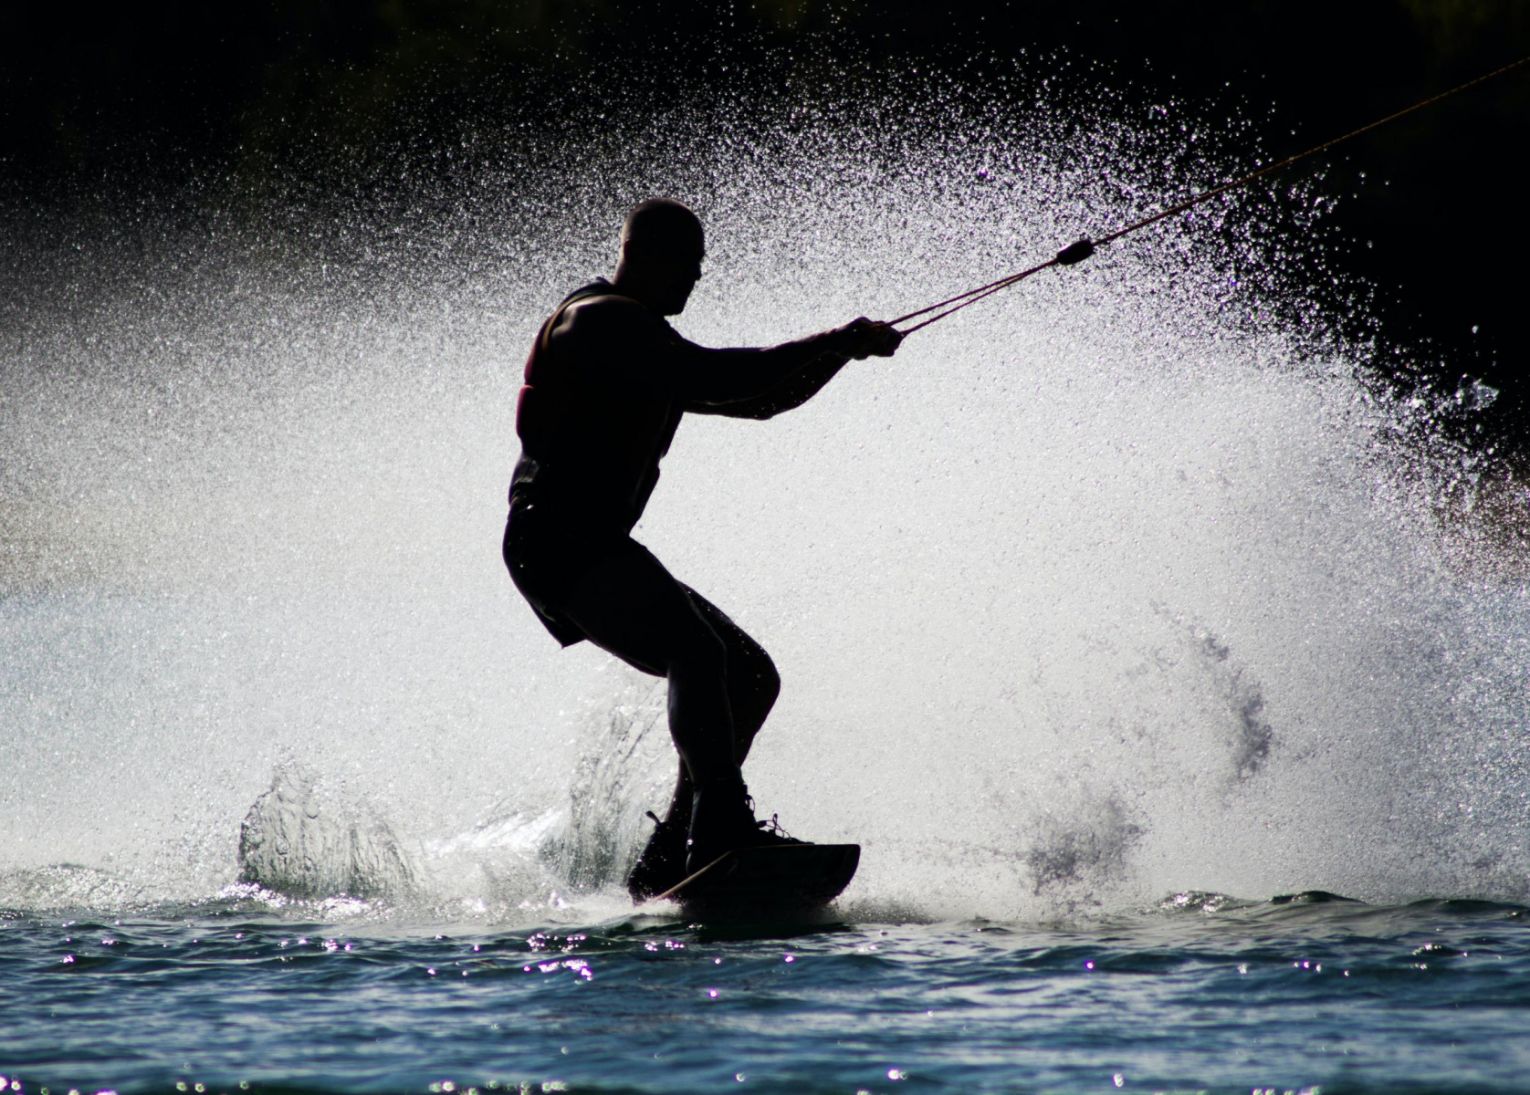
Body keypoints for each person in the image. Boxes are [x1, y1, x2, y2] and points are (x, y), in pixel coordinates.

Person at [503, 197, 902, 900]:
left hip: (589, 539)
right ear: (645, 255)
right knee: (699, 651)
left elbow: (761, 400)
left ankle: (672, 856)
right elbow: (725, 376)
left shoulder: (645, 342)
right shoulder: (600, 322)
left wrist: (843, 354)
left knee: (748, 675)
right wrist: (837, 338)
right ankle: (720, 826)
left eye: (701, 266)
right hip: (555, 535)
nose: (697, 279)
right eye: (688, 265)